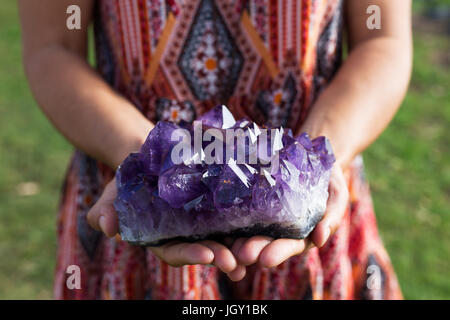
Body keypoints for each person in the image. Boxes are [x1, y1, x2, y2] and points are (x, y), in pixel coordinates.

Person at [18, 0, 411, 299]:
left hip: (316, 203)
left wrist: (322, 153)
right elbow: (53, 48)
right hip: (124, 191)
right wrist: (145, 156)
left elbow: (382, 39)